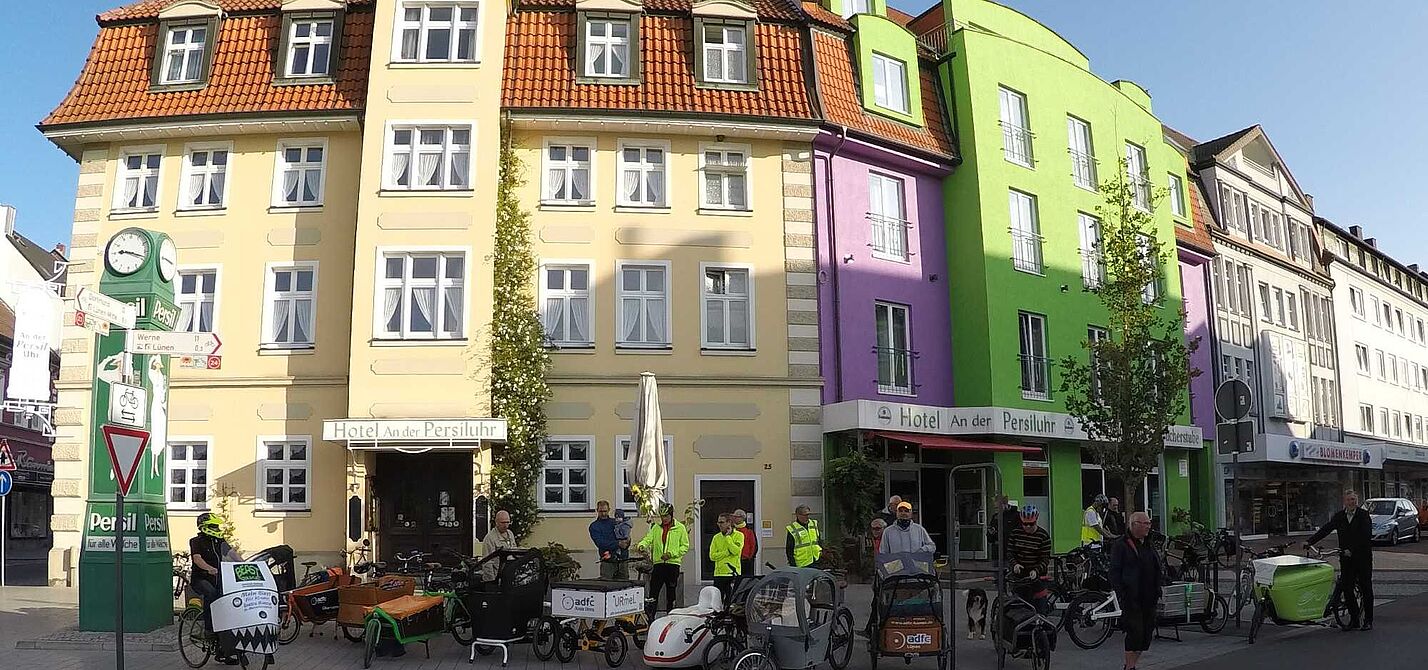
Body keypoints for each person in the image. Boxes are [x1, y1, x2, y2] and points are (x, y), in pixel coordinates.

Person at [1306, 490, 1374, 631]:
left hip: (1362, 558)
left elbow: (1366, 536)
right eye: (1349, 500)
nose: (1352, 502)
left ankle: (1368, 620)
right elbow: (1326, 529)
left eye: (1354, 500)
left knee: (1366, 587)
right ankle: (1355, 619)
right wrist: (1309, 541)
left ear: (1357, 501)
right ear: (1344, 502)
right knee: (1347, 588)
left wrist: (1352, 550)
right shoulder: (1340, 517)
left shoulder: (1363, 515)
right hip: (1346, 559)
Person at [1110, 512, 1162, 670]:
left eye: (1149, 523)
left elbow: (1155, 564)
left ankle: (1130, 665)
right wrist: (1121, 592)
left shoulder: (1148, 543)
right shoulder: (1121, 545)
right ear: (1134, 525)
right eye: (1145, 523)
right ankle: (1130, 667)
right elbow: (1114, 571)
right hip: (1132, 597)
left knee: (1146, 634)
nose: (1148, 526)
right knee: (1135, 633)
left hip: (1149, 596)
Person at [190, 513, 242, 665]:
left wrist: (245, 564)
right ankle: (208, 629)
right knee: (211, 595)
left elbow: (231, 553)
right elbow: (197, 559)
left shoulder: (219, 540)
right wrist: (209, 568)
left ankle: (223, 651)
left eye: (217, 526)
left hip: (219, 578)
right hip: (201, 579)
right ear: (205, 527)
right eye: (214, 526)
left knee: (227, 605)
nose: (217, 528)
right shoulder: (196, 541)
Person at [638, 504, 690, 620]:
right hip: (659, 564)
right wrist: (642, 545)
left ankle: (670, 617)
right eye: (662, 516)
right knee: (653, 592)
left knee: (671, 593)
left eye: (666, 516)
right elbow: (648, 539)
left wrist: (671, 554)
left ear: (671, 515)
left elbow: (685, 546)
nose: (664, 519)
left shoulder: (680, 528)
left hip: (673, 564)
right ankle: (651, 618)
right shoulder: (656, 528)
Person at [1006, 506, 1052, 607]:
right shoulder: (1015, 533)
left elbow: (1045, 558)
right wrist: (1015, 564)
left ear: (1036, 521)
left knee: (1039, 604)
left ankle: (1041, 619)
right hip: (1020, 575)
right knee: (1020, 603)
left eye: (1031, 524)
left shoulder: (1043, 536)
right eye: (1024, 524)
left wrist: (1036, 570)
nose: (1027, 527)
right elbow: (1010, 552)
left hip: (1037, 575)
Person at [709, 513, 744, 604]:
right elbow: (712, 556)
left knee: (730, 600)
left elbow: (735, 551)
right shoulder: (716, 537)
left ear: (729, 523)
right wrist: (727, 553)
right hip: (719, 573)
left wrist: (728, 538)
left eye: (722, 522)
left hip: (732, 573)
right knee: (717, 601)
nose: (719, 525)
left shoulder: (739, 535)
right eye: (718, 522)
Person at [481, 510, 518, 582]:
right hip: (497, 575)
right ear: (496, 522)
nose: (505, 525)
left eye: (507, 522)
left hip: (510, 574)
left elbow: (514, 552)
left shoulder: (510, 534)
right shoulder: (490, 538)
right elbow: (487, 562)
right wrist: (491, 582)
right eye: (503, 522)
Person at [590, 501, 623, 580]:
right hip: (607, 561)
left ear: (609, 510)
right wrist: (618, 543)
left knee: (624, 587)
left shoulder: (615, 522)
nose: (603, 514)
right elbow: (600, 543)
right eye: (601, 511)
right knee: (607, 585)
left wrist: (627, 542)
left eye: (605, 511)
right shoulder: (594, 526)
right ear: (597, 510)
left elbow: (624, 534)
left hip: (622, 560)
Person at [987, 495, 1020, 560]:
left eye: (997, 507)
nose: (996, 510)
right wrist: (991, 533)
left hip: (1011, 553)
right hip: (997, 553)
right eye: (995, 508)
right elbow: (990, 538)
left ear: (1005, 505)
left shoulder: (1016, 516)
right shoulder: (995, 517)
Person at [733, 509, 758, 580]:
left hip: (745, 560)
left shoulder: (749, 530)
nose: (734, 518)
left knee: (746, 579)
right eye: (734, 517)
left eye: (736, 517)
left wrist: (750, 557)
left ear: (742, 518)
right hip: (734, 559)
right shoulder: (732, 530)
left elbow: (753, 545)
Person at [613, 509, 633, 580]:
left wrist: (623, 540)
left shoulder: (625, 526)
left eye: (619, 517)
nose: (617, 519)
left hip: (623, 546)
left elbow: (625, 536)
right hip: (618, 547)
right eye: (616, 517)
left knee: (623, 569)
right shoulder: (617, 524)